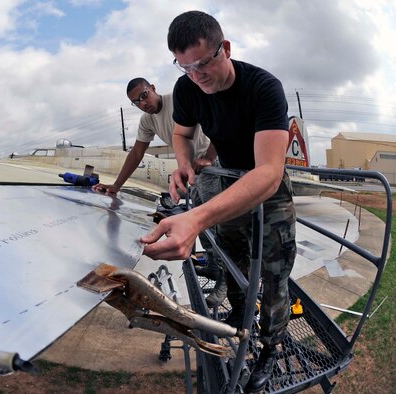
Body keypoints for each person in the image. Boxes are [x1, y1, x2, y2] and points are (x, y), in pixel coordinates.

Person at [140, 11, 296, 393]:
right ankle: (244, 323)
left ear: (224, 49)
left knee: (274, 277)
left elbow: (268, 172)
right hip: (229, 183)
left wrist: (196, 219)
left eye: (203, 63)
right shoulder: (189, 88)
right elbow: (181, 133)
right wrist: (182, 165)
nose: (196, 75)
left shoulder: (263, 87)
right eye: (185, 67)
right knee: (234, 263)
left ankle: (271, 346)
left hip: (268, 190)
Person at [92, 78, 226, 306]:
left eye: (144, 96)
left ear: (153, 88)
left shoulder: (178, 100)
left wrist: (209, 157)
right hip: (192, 171)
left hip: (213, 166)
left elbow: (218, 123)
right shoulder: (147, 121)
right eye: (136, 102)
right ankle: (214, 266)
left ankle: (226, 280)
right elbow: (136, 153)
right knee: (201, 223)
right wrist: (116, 186)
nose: (143, 103)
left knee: (219, 225)